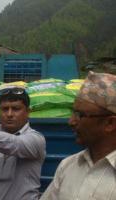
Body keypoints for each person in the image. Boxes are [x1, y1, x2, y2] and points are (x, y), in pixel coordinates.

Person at [40, 71, 116, 200]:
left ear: (110, 123)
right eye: (73, 113)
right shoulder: (68, 166)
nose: (71, 122)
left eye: (80, 115)